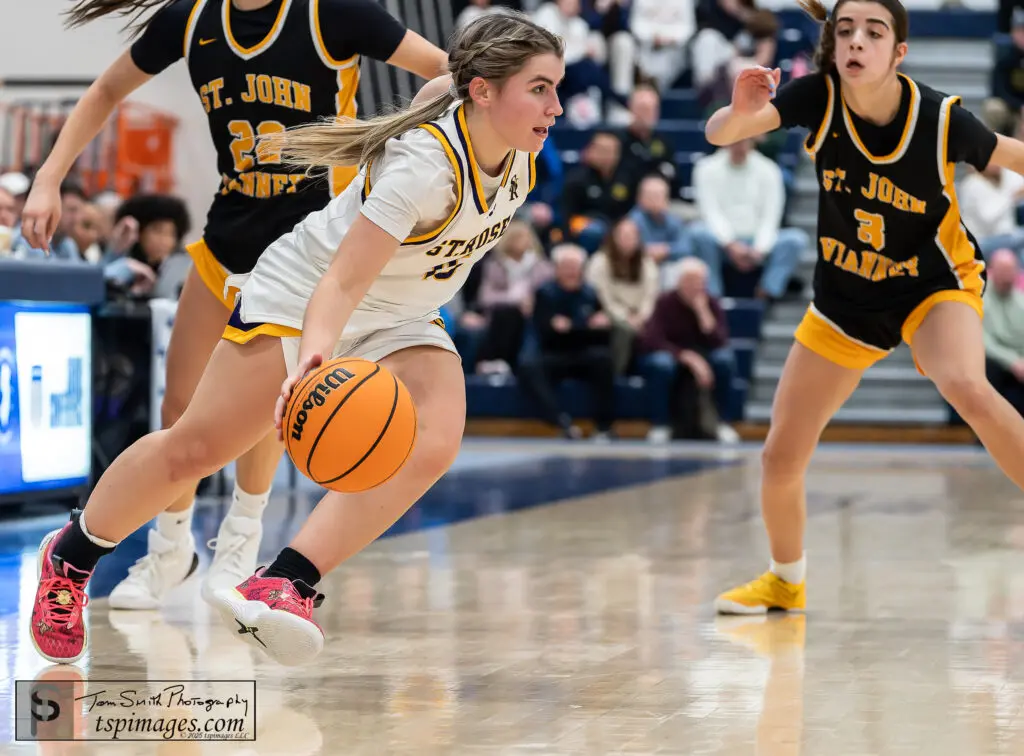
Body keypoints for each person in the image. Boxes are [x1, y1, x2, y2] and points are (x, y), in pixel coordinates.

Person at [28, 11, 564, 666]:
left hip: (399, 308)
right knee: (195, 447)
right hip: (305, 288)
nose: (556, 106)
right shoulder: (424, 171)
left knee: (437, 435)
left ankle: (287, 578)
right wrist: (314, 361)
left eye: (556, 87)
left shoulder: (515, 154)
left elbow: (438, 86)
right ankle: (73, 555)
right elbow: (338, 283)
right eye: (540, 88)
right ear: (484, 91)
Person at [20, 0, 448, 611]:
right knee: (181, 408)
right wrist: (47, 177)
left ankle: (240, 549)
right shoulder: (191, 20)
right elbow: (109, 87)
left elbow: (449, 73)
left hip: (309, 247)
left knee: (265, 413)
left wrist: (397, 151)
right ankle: (171, 553)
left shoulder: (332, 14)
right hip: (229, 235)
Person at [707, 0, 1024, 614]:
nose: (856, 41)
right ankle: (785, 580)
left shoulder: (940, 118)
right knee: (780, 454)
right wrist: (738, 112)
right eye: (845, 29)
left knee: (963, 380)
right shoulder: (815, 97)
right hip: (846, 299)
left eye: (873, 32)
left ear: (898, 52)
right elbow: (722, 133)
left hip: (934, 284)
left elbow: (1011, 154)